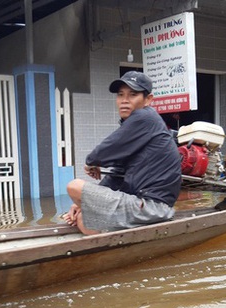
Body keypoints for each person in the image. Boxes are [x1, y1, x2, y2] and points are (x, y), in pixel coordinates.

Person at [63, 71, 181, 235]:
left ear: (148, 99)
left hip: (151, 207)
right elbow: (116, 176)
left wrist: (91, 163)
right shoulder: (138, 128)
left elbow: (102, 152)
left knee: (74, 186)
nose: (124, 101)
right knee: (84, 219)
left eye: (133, 95)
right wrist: (80, 203)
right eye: (120, 95)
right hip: (147, 206)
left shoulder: (146, 117)